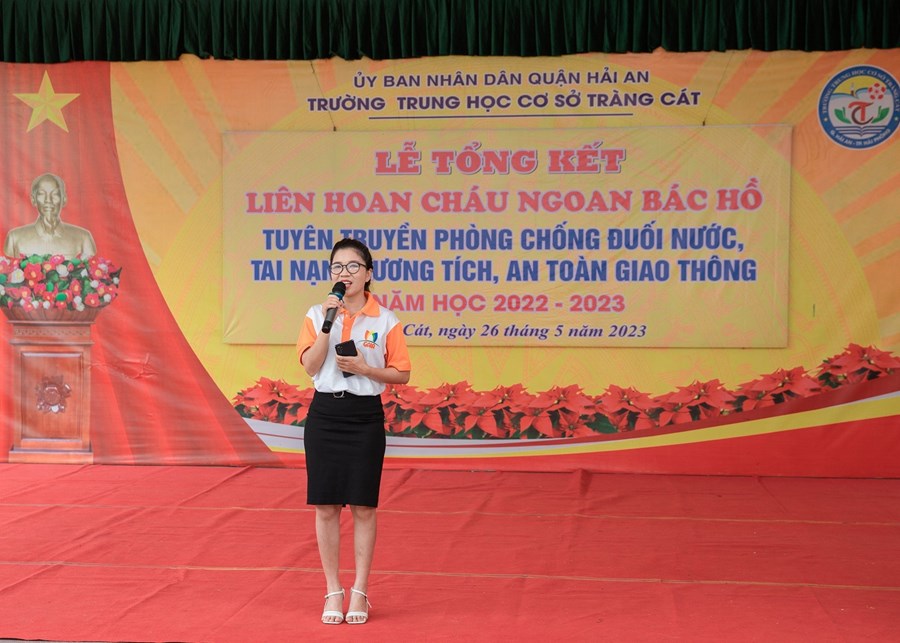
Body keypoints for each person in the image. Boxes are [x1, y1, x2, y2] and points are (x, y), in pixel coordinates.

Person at [296, 238, 411, 625]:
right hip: (325, 415)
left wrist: (365, 369)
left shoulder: (386, 320)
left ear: (368, 273)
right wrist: (327, 325)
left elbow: (402, 373)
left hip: (364, 417)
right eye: (337, 267)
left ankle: (360, 590)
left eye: (352, 267)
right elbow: (311, 366)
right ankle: (333, 589)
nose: (344, 274)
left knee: (363, 506)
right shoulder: (316, 314)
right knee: (326, 506)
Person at [3, 173, 97, 259]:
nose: (48, 200)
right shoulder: (14, 238)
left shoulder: (83, 238)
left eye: (55, 194)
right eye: (42, 194)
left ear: (64, 199)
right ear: (33, 199)